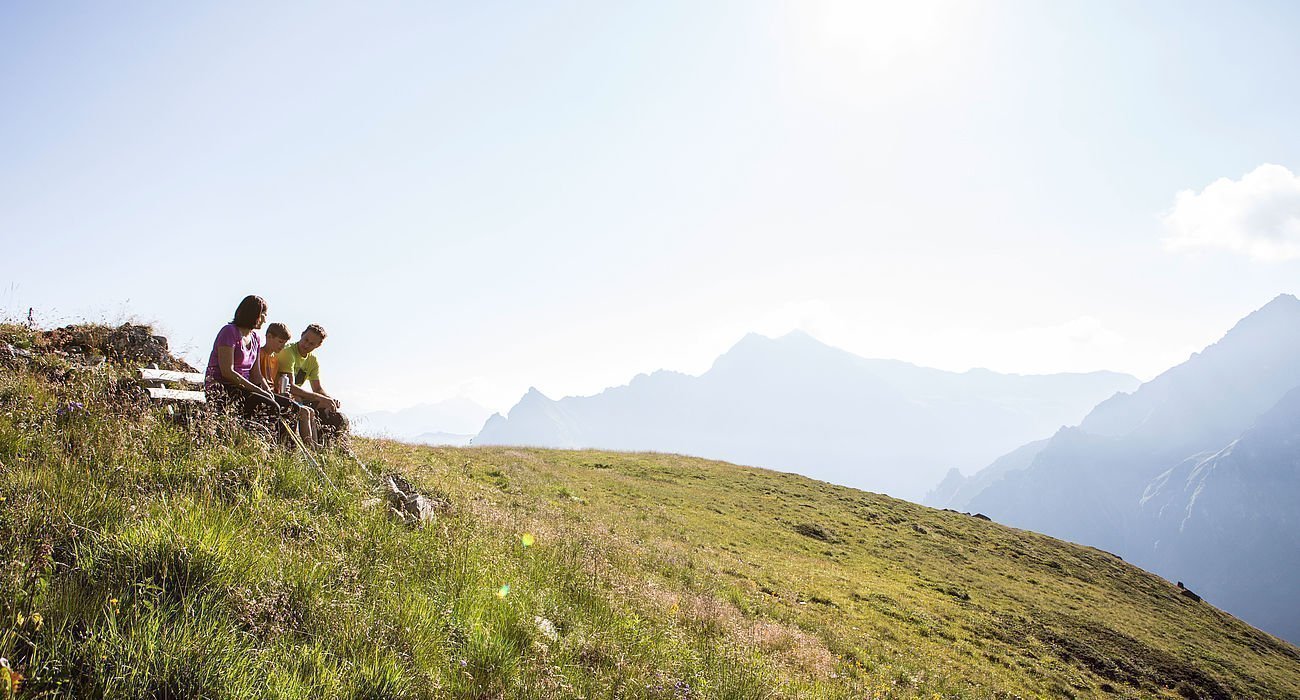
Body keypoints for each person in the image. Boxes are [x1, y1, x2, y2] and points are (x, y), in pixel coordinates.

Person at [203, 295, 280, 425]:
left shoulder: (255, 338)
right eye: (263, 315)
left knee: (288, 407)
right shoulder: (229, 332)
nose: (265, 320)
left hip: (245, 388)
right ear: (254, 314)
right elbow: (227, 371)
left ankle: (285, 444)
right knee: (270, 407)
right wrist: (257, 391)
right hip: (223, 387)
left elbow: (256, 374)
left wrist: (267, 391)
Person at [276, 323, 349, 441]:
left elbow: (317, 389)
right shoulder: (288, 352)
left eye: (311, 344)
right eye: (305, 340)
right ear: (301, 335)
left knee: (328, 406)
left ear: (318, 345)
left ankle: (330, 443)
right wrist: (321, 398)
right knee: (300, 401)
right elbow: (291, 387)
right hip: (285, 393)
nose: (306, 345)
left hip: (298, 395)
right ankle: (309, 445)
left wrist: (329, 399)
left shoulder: (312, 361)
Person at [259, 322, 317, 444]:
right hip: (265, 394)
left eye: (284, 343)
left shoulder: (275, 358)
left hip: (275, 393)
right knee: (303, 411)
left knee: (310, 411)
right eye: (280, 342)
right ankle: (307, 444)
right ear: (269, 337)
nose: (282, 346)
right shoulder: (260, 354)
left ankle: (313, 444)